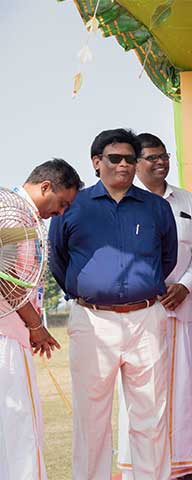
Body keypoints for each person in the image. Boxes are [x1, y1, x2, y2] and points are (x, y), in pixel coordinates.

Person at [49, 128, 178, 480]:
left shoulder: (156, 207)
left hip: (146, 318)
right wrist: (87, 292)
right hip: (92, 321)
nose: (123, 165)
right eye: (114, 158)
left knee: (151, 415)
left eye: (130, 159)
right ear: (96, 162)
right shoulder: (73, 206)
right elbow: (58, 259)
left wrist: (139, 289)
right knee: (91, 418)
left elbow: (167, 259)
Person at [115, 133, 192, 480]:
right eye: (152, 158)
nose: (161, 162)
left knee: (184, 384)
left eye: (165, 156)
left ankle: (188, 464)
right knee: (142, 385)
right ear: (136, 163)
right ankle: (140, 468)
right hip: (142, 308)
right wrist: (151, 288)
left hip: (182, 304)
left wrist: (186, 285)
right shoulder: (127, 202)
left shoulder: (186, 199)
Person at [0, 159, 82, 480]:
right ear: (45, 186)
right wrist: (35, 325)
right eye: (62, 203)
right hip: (8, 336)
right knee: (21, 422)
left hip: (12, 331)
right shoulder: (14, 214)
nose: (61, 213)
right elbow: (5, 275)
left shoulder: (19, 214)